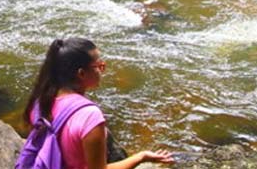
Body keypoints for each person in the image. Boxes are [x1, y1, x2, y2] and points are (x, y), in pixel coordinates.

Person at [22, 37, 174, 169]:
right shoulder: (89, 116)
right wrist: (140, 157)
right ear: (81, 73)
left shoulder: (39, 103)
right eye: (99, 66)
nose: (102, 70)